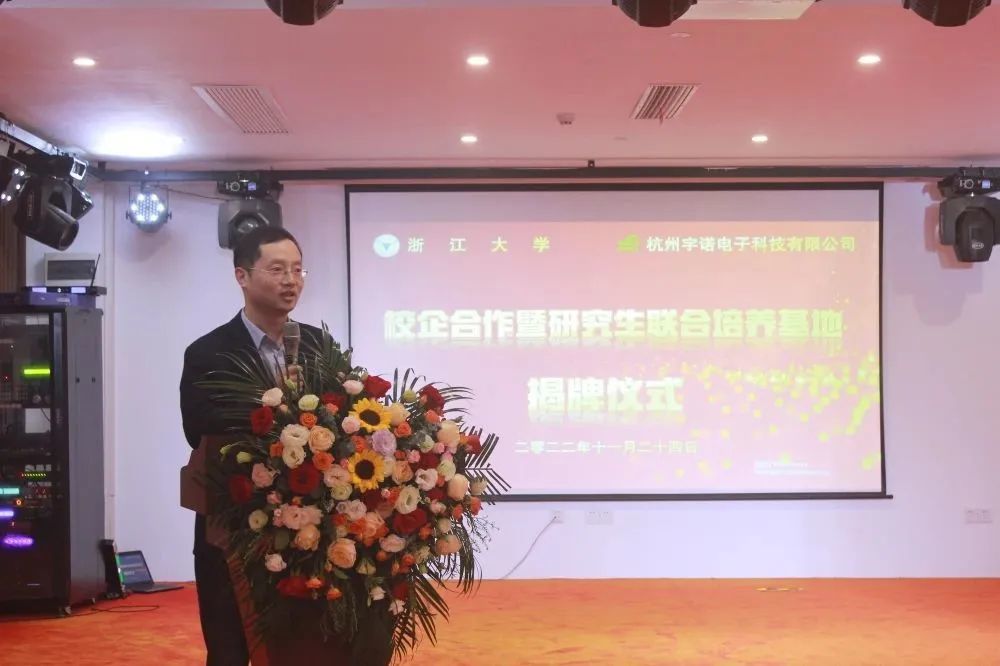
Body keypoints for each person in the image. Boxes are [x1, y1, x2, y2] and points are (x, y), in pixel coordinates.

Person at [179, 226, 323, 665]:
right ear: (242, 276)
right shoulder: (208, 353)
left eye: (297, 270)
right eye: (277, 270)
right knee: (231, 647)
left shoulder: (318, 345)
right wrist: (276, 408)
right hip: (233, 523)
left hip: (309, 523)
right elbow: (198, 428)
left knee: (306, 646)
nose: (291, 280)